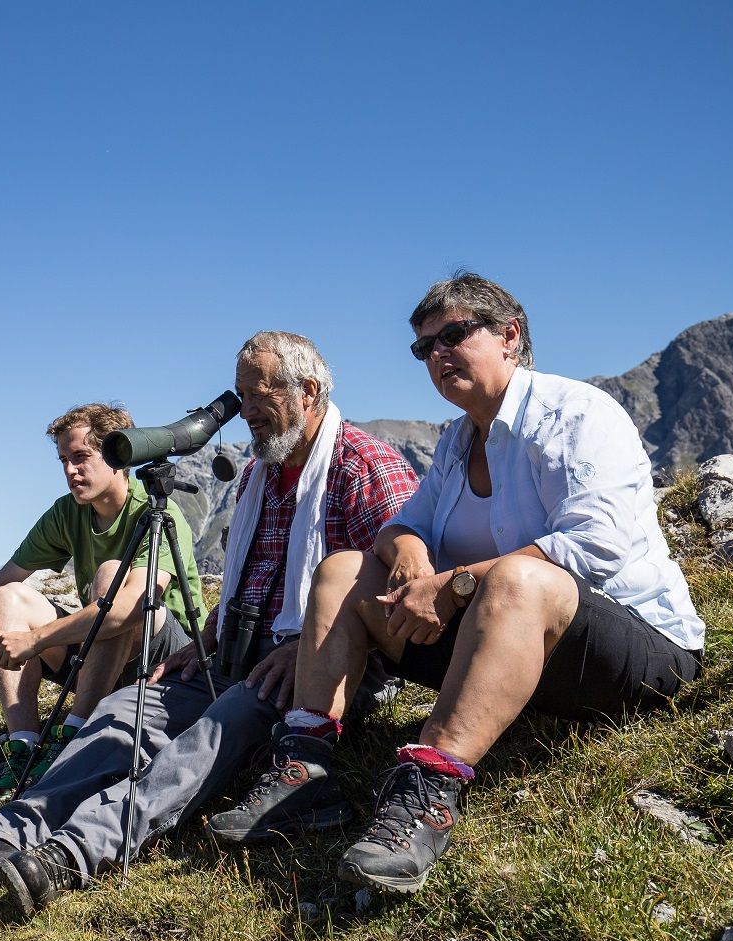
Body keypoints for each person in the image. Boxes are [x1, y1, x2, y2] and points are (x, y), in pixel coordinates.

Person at [0, 333, 419, 915]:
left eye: (256, 395)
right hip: (236, 648)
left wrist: (305, 651)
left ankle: (70, 853)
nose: (244, 411)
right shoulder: (258, 479)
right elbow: (251, 579)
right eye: (239, 395)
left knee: (213, 732)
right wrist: (209, 637)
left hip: (318, 666)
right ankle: (3, 834)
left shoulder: (365, 466)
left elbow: (405, 586)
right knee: (125, 712)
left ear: (307, 392)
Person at [222, 272, 704, 895]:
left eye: (453, 335)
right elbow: (398, 527)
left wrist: (451, 587)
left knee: (519, 578)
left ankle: (428, 794)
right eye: (425, 348)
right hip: (513, 646)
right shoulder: (456, 441)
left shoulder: (577, 413)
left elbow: (594, 547)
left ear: (510, 336)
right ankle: (306, 771)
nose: (438, 356)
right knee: (344, 571)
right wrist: (414, 559)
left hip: (636, 654)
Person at [0, 403, 201, 795]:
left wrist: (35, 640)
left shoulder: (156, 510)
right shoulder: (68, 513)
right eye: (63, 459)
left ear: (118, 455)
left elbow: (129, 608)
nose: (69, 471)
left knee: (113, 577)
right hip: (102, 658)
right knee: (9, 597)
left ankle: (74, 736)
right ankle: (24, 746)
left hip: (167, 660)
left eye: (80, 457)